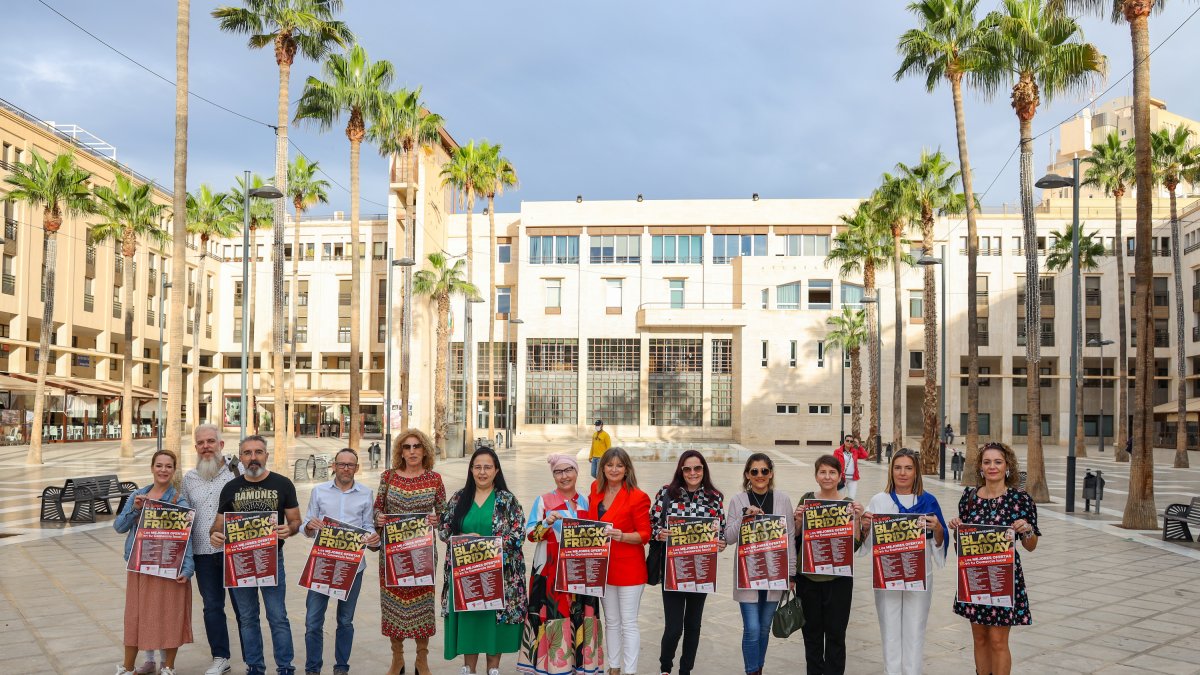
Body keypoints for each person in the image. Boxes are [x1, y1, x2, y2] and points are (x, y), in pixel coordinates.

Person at [209, 436, 303, 675]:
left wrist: (289, 530)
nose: (253, 457)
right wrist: (215, 535)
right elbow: (217, 525)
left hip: (272, 561)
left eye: (258, 452)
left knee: (278, 617)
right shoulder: (231, 488)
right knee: (248, 618)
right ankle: (255, 668)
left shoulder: (283, 484)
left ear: (266, 455)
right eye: (247, 453)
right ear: (241, 458)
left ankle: (285, 668)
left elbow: (295, 521)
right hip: (239, 563)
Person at [949, 442, 1040, 675]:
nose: (992, 467)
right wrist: (958, 528)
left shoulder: (1020, 500)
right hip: (975, 575)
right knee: (979, 639)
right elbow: (963, 545)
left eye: (998, 462)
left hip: (1004, 579)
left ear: (1007, 466)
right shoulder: (969, 497)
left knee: (999, 641)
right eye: (987, 462)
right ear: (980, 467)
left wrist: (1026, 529)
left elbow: (1031, 546)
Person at [439, 446, 528, 675]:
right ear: (471, 470)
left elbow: (519, 534)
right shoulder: (460, 498)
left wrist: (490, 544)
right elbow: (444, 530)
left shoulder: (507, 500)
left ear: (496, 471)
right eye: (477, 467)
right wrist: (462, 538)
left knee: (492, 621)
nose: (482, 472)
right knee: (470, 620)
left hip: (497, 575)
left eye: (487, 467)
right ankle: (469, 668)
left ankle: (493, 668)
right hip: (465, 577)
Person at [862, 449, 948, 675]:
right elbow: (867, 542)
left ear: (916, 471)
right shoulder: (879, 500)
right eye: (898, 467)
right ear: (891, 470)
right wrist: (864, 525)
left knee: (915, 630)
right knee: (889, 629)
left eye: (908, 468)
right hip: (888, 575)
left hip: (919, 576)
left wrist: (938, 528)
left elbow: (939, 542)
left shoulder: (928, 501)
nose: (902, 473)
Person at [113, 449, 195, 675]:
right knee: (136, 616)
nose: (163, 470)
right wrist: (135, 509)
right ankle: (127, 668)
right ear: (152, 468)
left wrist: (188, 569)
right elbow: (119, 527)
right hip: (140, 565)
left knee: (169, 614)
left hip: (169, 566)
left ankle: (168, 667)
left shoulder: (180, 500)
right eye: (159, 465)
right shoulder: (137, 495)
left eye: (168, 466)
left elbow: (186, 539)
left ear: (174, 470)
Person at [373, 429, 447, 675]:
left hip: (422, 555)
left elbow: (445, 513)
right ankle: (398, 658)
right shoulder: (388, 477)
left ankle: (421, 659)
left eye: (417, 446)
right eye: (407, 447)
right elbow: (377, 509)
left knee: (423, 605)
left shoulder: (434, 479)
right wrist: (379, 518)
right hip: (393, 555)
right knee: (393, 606)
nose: (412, 451)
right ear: (400, 452)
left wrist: (439, 520)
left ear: (425, 450)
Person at [302, 448, 381, 675]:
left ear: (356, 468)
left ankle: (341, 667)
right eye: (342, 464)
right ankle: (312, 668)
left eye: (351, 465)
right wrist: (309, 526)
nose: (346, 468)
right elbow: (307, 524)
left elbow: (367, 525)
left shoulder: (366, 493)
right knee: (312, 621)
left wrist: (373, 537)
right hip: (322, 565)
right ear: (334, 466)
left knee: (345, 620)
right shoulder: (319, 492)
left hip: (352, 567)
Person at [524, 453, 603, 674]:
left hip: (581, 575)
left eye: (568, 470)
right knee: (553, 616)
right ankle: (553, 667)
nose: (564, 476)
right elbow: (531, 534)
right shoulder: (543, 501)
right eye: (558, 472)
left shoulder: (588, 501)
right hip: (550, 574)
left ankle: (580, 666)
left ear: (577, 472)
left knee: (579, 616)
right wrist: (546, 522)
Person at [651, 450, 727, 675]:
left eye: (697, 468)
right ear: (681, 470)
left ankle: (686, 670)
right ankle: (666, 667)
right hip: (673, 570)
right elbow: (651, 524)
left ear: (704, 469)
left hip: (701, 571)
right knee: (673, 628)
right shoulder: (666, 493)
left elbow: (720, 530)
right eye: (687, 469)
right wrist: (659, 533)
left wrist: (720, 543)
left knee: (693, 625)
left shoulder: (715, 497)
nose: (693, 473)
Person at [792, 455, 867, 675]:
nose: (827, 477)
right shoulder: (806, 500)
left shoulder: (847, 505)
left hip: (839, 580)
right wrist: (797, 521)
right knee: (812, 635)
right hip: (808, 578)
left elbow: (852, 547)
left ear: (840, 476)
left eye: (832, 472)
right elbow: (795, 538)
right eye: (823, 472)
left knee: (836, 635)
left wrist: (859, 522)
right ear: (816, 476)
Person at [182, 423, 245, 675]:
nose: (206, 447)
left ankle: (252, 656)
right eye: (201, 443)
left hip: (235, 552)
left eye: (211, 441)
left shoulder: (237, 471)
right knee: (212, 607)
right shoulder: (189, 478)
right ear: (196, 447)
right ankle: (221, 657)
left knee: (244, 608)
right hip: (203, 554)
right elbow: (184, 515)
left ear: (221, 445)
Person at [724, 453, 796, 675]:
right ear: (747, 475)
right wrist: (745, 516)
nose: (760, 475)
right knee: (752, 629)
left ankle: (759, 668)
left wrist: (791, 574)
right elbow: (728, 537)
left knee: (764, 629)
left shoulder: (783, 499)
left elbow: (790, 537)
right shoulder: (739, 500)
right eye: (754, 471)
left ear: (771, 473)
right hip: (749, 575)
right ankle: (751, 670)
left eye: (764, 471)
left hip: (775, 574)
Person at [582, 446, 651, 675]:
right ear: (602, 468)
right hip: (602, 568)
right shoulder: (596, 489)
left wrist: (622, 535)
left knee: (628, 623)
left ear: (627, 469)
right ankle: (614, 667)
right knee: (611, 621)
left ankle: (629, 671)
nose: (614, 469)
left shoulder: (638, 497)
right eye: (609, 465)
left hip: (629, 568)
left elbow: (644, 535)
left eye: (619, 465)